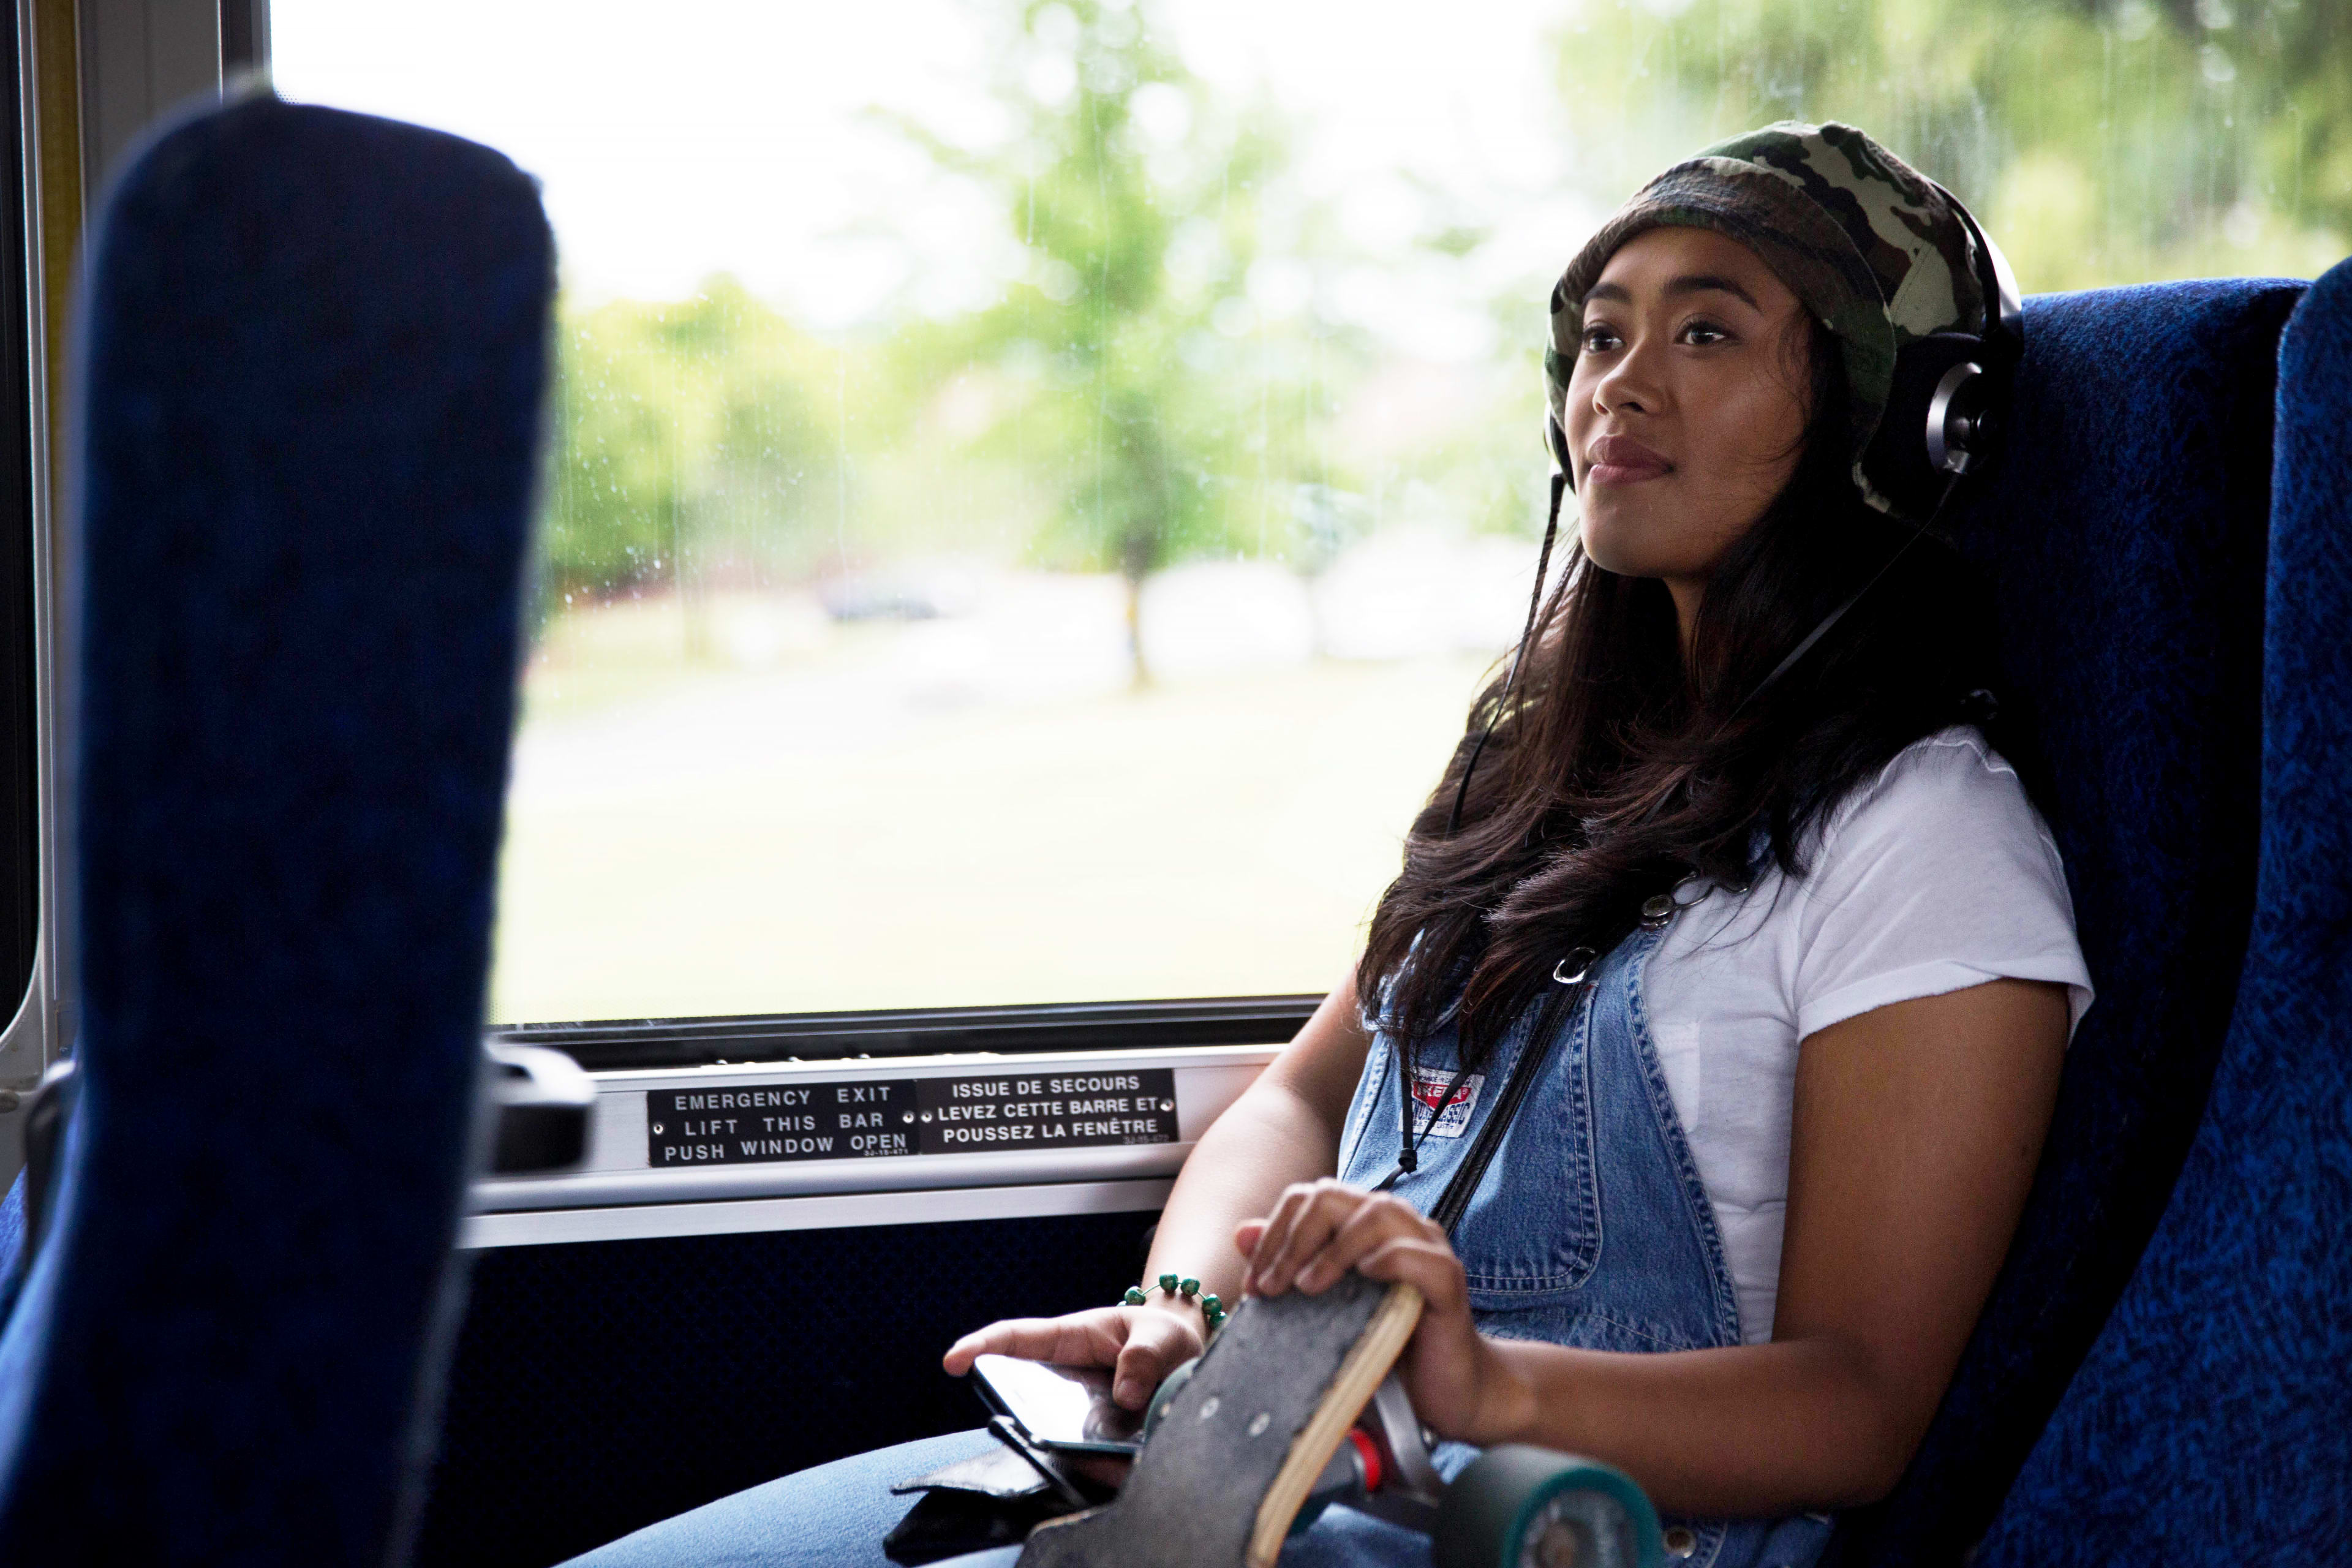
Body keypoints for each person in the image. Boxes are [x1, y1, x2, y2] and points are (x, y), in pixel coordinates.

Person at [567, 121, 2091, 1568]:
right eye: (1603, 336)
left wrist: (1483, 1384)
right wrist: (1184, 1316)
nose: (1620, 385)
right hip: (1288, 1483)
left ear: (1903, 419)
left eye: (1705, 333)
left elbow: (1860, 1404)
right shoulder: (1541, 767)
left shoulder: (1924, 832)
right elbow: (1301, 1095)